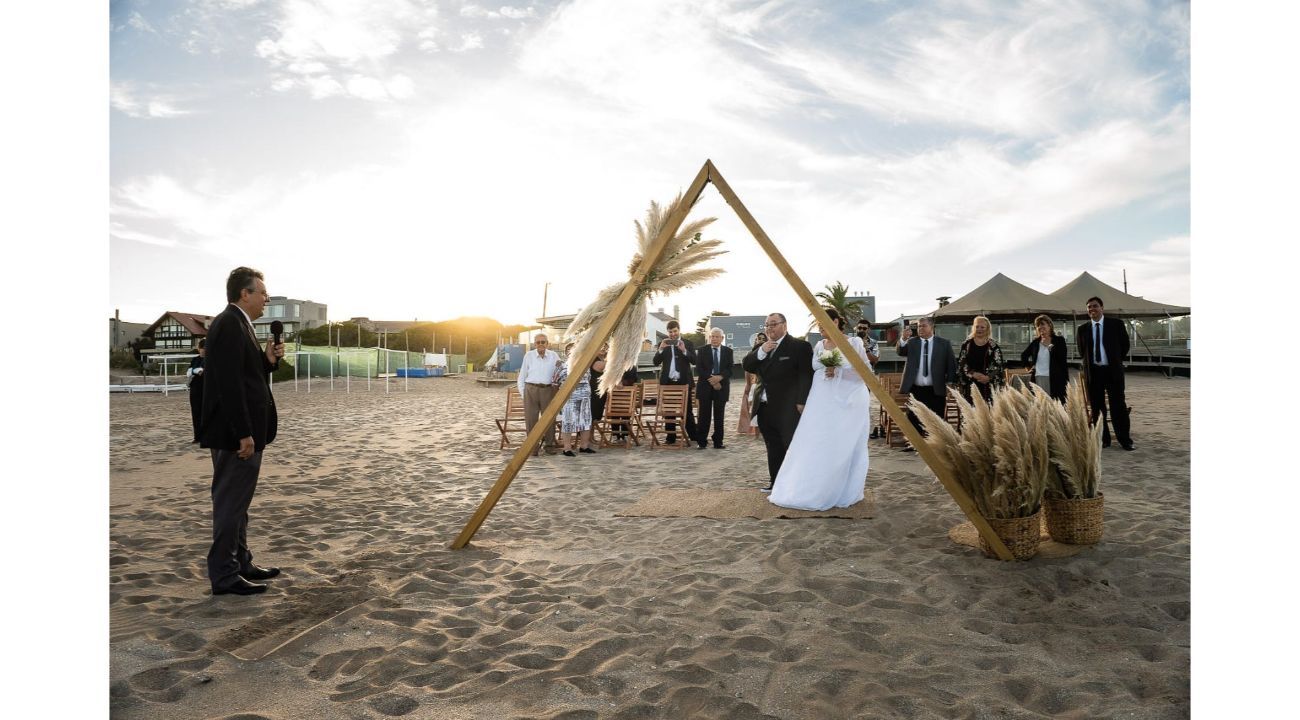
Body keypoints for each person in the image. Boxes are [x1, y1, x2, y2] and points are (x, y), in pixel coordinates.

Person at [198, 266, 284, 596]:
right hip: (235, 435)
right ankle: (224, 574)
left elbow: (248, 377)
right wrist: (243, 433)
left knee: (238, 503)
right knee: (230, 503)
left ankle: (241, 561)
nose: (266, 299)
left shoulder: (240, 324)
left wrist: (266, 360)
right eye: (262, 292)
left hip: (242, 431)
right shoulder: (229, 324)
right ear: (244, 294)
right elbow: (229, 386)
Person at [769, 309, 871, 510]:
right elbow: (814, 367)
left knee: (842, 441)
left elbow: (864, 371)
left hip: (848, 400)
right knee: (816, 439)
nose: (820, 327)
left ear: (835, 321)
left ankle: (841, 487)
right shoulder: (818, 345)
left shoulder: (854, 343)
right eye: (818, 324)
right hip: (821, 398)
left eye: (823, 323)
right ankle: (810, 485)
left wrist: (839, 370)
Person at [742, 313, 814, 490]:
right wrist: (761, 351)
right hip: (764, 406)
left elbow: (806, 376)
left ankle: (799, 485)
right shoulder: (761, 347)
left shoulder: (799, 346)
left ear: (784, 325)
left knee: (793, 447)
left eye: (773, 324)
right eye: (767, 325)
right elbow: (747, 365)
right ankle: (776, 484)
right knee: (773, 448)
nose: (769, 328)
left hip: (788, 407)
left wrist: (801, 401)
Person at [1077, 296, 1133, 450]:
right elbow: (1082, 351)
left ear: (1102, 308)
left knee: (1118, 406)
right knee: (1097, 408)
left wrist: (1114, 360)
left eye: (1095, 306)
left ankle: (1125, 440)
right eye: (1089, 307)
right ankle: (1104, 440)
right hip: (1094, 373)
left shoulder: (1116, 325)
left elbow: (1125, 345)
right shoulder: (1082, 329)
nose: (1092, 309)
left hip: (1112, 372)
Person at [897, 316, 957, 448]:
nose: (920, 328)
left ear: (932, 327)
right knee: (913, 416)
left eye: (923, 326)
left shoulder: (944, 343)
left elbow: (951, 364)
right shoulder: (912, 342)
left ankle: (936, 443)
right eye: (919, 326)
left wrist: (951, 382)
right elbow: (901, 351)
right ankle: (913, 444)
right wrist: (903, 339)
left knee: (936, 416)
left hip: (935, 388)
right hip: (916, 388)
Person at [651, 320, 696, 445]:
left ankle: (693, 436)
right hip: (668, 383)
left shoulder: (687, 343)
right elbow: (655, 362)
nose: (672, 334)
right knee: (668, 412)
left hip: (684, 383)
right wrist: (660, 350)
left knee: (687, 411)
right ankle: (670, 438)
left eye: (675, 331)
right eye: (670, 332)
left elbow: (694, 361)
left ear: (679, 330)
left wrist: (684, 351)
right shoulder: (663, 344)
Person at [517, 333, 561, 456]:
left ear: (547, 344)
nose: (540, 344)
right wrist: (523, 394)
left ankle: (549, 445)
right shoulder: (528, 356)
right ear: (534, 344)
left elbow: (561, 372)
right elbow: (521, 377)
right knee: (531, 420)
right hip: (531, 389)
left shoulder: (554, 356)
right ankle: (533, 447)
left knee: (549, 419)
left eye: (543, 342)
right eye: (538, 342)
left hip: (548, 389)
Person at [693, 327, 733, 449]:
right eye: (712, 336)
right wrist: (713, 380)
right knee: (704, 416)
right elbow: (699, 369)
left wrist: (719, 378)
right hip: (705, 386)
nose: (714, 339)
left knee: (719, 416)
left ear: (722, 338)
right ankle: (702, 442)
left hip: (722, 387)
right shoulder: (702, 350)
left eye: (717, 336)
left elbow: (729, 369)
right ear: (709, 337)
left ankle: (718, 442)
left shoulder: (728, 351)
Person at [956, 315, 1006, 404]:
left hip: (988, 385)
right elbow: (962, 363)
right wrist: (972, 373)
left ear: (987, 329)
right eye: (977, 326)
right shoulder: (966, 345)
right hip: (970, 384)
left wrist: (988, 377)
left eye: (982, 327)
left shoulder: (993, 346)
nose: (979, 329)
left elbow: (998, 364)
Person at [556, 342, 595, 456]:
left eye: (573, 349)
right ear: (566, 353)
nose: (571, 351)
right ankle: (567, 448)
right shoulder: (562, 365)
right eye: (568, 349)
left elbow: (589, 377)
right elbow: (556, 381)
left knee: (586, 421)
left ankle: (584, 446)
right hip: (569, 398)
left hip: (585, 397)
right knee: (568, 421)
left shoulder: (585, 364)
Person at [1020, 314, 1068, 402]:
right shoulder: (1036, 342)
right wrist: (1028, 367)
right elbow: (1024, 355)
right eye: (1037, 325)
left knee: (1055, 404)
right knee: (1041, 405)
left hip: (1055, 378)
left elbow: (1062, 357)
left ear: (1049, 325)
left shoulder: (1059, 340)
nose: (1040, 327)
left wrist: (1048, 346)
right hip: (1038, 377)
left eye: (1042, 324)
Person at [736, 332, 766, 437]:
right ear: (756, 340)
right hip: (755, 385)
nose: (761, 340)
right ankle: (756, 432)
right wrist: (748, 386)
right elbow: (747, 371)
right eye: (759, 338)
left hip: (766, 385)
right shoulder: (751, 354)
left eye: (763, 338)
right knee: (755, 409)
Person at [855, 320, 882, 439]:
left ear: (868, 330)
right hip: (851, 376)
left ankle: (867, 429)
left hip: (866, 377)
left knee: (864, 403)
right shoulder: (849, 340)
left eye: (864, 328)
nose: (861, 330)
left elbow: (875, 360)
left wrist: (866, 348)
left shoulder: (874, 343)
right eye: (859, 328)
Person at [187, 339, 206, 443]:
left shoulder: (211, 359)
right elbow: (189, 372)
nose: (203, 350)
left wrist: (196, 371)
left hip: (206, 389)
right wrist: (195, 371)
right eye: (201, 348)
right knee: (196, 413)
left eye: (204, 348)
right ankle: (197, 436)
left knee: (205, 413)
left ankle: (205, 436)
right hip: (195, 389)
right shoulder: (195, 359)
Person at [589, 343, 609, 427]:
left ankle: (591, 436)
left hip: (601, 390)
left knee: (597, 414)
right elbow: (601, 367)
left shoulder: (605, 359)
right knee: (592, 413)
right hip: (593, 390)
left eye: (605, 346)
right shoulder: (593, 359)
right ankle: (587, 436)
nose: (603, 348)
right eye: (601, 345)